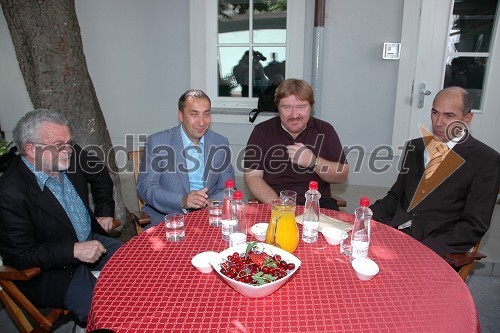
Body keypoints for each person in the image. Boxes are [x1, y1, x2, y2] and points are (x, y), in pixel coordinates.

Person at [0, 109, 123, 324]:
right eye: (59, 145)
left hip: (89, 239)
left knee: (141, 264)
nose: (68, 150)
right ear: (31, 149)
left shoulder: (68, 154)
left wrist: (104, 211)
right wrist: (73, 250)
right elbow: (19, 256)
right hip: (50, 271)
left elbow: (101, 174)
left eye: (69, 142)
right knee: (107, 307)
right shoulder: (10, 192)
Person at [370, 87, 499, 258]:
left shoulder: (485, 160)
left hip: (434, 247)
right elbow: (395, 196)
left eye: (449, 115)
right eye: (435, 112)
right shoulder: (414, 147)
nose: (438, 122)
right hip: (394, 232)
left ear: (467, 118)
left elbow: (473, 225)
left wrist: (425, 249)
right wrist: (364, 215)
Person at [244, 78, 349, 210]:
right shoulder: (262, 131)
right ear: (278, 107)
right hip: (274, 203)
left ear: (311, 106)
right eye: (287, 107)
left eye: (301, 107)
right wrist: (279, 205)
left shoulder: (325, 130)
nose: (294, 115)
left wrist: (314, 162)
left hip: (318, 204)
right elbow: (253, 176)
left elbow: (342, 176)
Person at [137, 89, 235, 226]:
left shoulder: (220, 143)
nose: (201, 122)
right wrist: (182, 200)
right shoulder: (158, 142)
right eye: (194, 114)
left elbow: (227, 187)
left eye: (206, 114)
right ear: (181, 116)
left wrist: (214, 202)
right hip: (167, 220)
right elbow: (146, 187)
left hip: (209, 218)